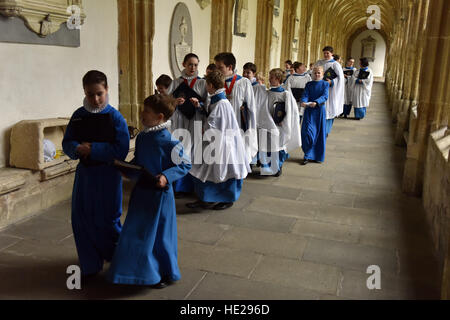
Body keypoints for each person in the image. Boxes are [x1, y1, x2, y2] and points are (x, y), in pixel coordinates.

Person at [107, 94, 191, 288]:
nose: (142, 114)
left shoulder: (169, 142)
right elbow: (140, 163)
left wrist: (165, 176)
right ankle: (137, 272)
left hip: (160, 196)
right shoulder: (143, 137)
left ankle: (162, 271)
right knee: (137, 234)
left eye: (147, 112)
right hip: (141, 192)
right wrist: (126, 168)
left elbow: (185, 164)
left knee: (160, 237)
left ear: (160, 117)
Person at [62, 70, 130, 277]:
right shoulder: (79, 115)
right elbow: (67, 142)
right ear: (84, 91)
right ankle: (90, 265)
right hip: (85, 175)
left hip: (108, 175)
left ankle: (118, 257)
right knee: (81, 219)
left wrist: (94, 149)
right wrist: (76, 148)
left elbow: (121, 149)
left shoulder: (115, 117)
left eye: (99, 93)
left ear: (107, 89)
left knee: (108, 219)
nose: (95, 99)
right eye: (90, 94)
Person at [186, 70, 250, 211]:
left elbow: (214, 123)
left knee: (224, 169)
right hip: (217, 141)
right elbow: (212, 116)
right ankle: (206, 199)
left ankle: (226, 199)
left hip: (223, 142)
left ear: (210, 85)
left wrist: (206, 128)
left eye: (206, 85)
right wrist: (200, 107)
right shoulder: (217, 99)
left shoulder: (221, 102)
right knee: (209, 170)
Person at [168, 53, 207, 197]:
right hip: (179, 121)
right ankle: (180, 186)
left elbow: (207, 104)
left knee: (195, 151)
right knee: (180, 151)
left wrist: (199, 104)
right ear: (184, 64)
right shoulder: (176, 82)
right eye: (190, 64)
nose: (193, 67)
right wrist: (174, 102)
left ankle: (194, 185)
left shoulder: (202, 83)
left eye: (196, 65)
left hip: (196, 119)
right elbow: (166, 102)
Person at [214, 52, 258, 164]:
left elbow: (251, 107)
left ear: (230, 67)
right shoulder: (216, 82)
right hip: (220, 126)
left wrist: (250, 129)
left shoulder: (243, 82)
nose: (217, 70)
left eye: (220, 67)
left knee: (238, 157)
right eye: (216, 67)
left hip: (238, 125)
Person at [256, 68, 301, 176]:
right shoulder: (266, 93)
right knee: (266, 147)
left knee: (278, 147)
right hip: (267, 124)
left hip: (279, 126)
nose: (269, 79)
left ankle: (277, 166)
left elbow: (290, 112)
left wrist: (284, 121)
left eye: (271, 77)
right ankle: (266, 167)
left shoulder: (286, 95)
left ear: (278, 79)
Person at [300, 66, 330, 165]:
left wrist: (316, 102)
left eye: (319, 73)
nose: (317, 75)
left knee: (319, 134)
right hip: (309, 110)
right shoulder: (309, 84)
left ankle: (317, 156)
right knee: (307, 132)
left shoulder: (325, 84)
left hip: (319, 111)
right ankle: (307, 155)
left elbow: (325, 96)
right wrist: (304, 101)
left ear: (322, 74)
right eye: (315, 73)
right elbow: (305, 94)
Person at [315, 46, 345, 137]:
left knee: (328, 110)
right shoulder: (319, 62)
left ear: (332, 53)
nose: (326, 55)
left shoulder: (335, 64)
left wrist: (331, 82)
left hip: (331, 91)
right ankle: (318, 130)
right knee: (319, 109)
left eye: (328, 53)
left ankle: (326, 131)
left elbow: (340, 79)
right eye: (324, 53)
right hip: (319, 89)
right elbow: (313, 73)